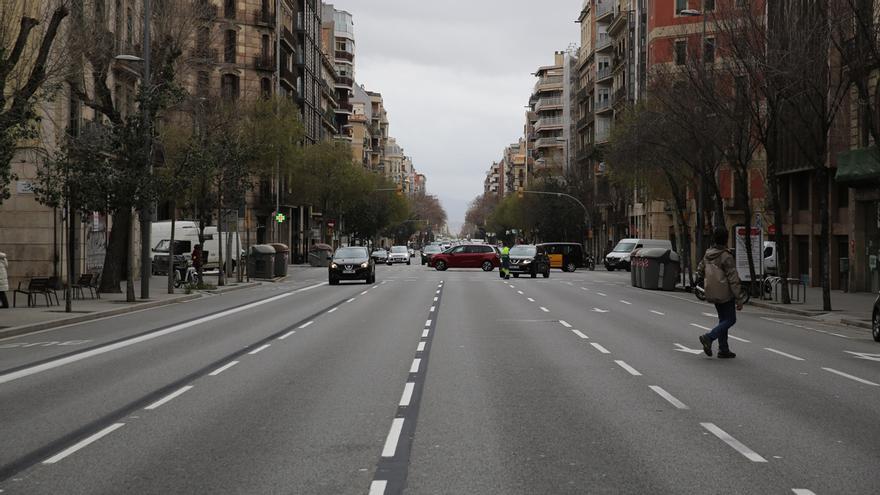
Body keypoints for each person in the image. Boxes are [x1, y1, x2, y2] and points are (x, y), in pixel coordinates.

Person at [696, 227, 747, 359]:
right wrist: (739, 298)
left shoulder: (708, 254)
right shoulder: (726, 256)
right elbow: (733, 278)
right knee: (730, 319)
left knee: (723, 319)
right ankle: (709, 337)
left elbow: (700, 270)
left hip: (712, 291)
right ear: (726, 239)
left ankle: (723, 349)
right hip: (726, 293)